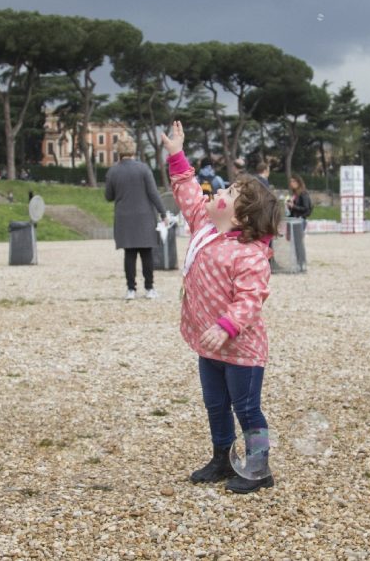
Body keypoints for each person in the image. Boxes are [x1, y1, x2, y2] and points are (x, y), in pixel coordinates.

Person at [160, 121, 281, 494]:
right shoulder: (205, 226)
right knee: (215, 404)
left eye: (229, 191)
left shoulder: (251, 255)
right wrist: (177, 154)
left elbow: (251, 300)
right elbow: (188, 193)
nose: (219, 192)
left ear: (242, 217)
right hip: (208, 344)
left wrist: (227, 326)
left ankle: (259, 467)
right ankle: (222, 458)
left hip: (241, 349)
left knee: (246, 409)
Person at [104, 139, 167, 300]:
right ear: (134, 151)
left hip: (124, 218)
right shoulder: (143, 169)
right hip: (145, 216)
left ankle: (131, 289)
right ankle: (149, 288)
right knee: (146, 253)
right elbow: (153, 193)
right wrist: (163, 213)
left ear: (119, 152)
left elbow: (108, 196)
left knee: (129, 254)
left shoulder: (112, 172)